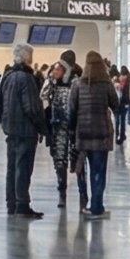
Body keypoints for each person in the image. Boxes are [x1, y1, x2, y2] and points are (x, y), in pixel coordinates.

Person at [0, 44, 44, 218]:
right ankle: (22, 204)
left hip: (11, 129)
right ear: (27, 58)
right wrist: (42, 127)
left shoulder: (7, 76)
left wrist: (4, 122)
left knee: (12, 167)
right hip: (25, 130)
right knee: (23, 168)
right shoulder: (26, 78)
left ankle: (11, 202)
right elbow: (31, 107)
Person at [74, 52, 115, 217]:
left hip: (83, 133)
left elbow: (72, 109)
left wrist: (72, 131)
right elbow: (116, 104)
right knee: (99, 171)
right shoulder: (107, 84)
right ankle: (97, 207)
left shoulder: (77, 84)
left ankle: (86, 202)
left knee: (84, 170)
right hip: (102, 134)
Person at [44, 55, 80, 212]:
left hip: (73, 125)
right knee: (59, 159)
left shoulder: (76, 80)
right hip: (58, 124)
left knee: (76, 157)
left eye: (59, 68)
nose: (55, 71)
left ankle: (82, 193)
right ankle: (62, 191)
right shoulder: (52, 81)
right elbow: (43, 95)